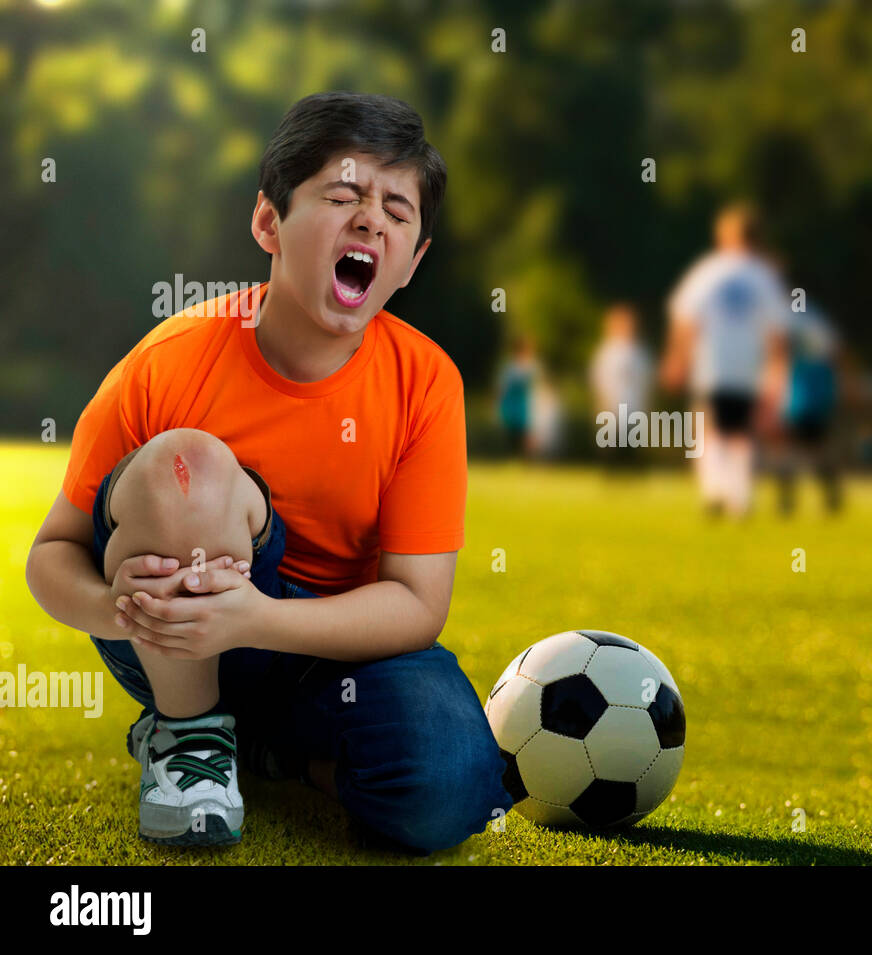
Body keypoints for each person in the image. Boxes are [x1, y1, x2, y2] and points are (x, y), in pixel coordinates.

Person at [24, 92, 512, 853]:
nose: (370, 221)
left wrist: (254, 616)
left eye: (396, 210)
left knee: (443, 791)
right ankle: (188, 735)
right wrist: (120, 609)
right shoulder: (171, 358)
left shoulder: (425, 381)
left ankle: (264, 752)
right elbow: (49, 552)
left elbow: (417, 603)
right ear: (267, 223)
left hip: (337, 651)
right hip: (179, 643)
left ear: (412, 262)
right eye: (342, 194)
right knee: (189, 465)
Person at [659, 202, 789, 517]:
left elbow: (685, 318)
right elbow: (777, 331)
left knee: (708, 428)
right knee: (742, 433)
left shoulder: (708, 271)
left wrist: (676, 358)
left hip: (712, 365)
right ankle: (739, 497)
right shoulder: (765, 276)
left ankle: (715, 490)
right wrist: (777, 371)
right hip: (748, 367)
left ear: (723, 237)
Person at [775, 300, 844, 515]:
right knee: (813, 447)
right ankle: (829, 498)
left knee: (789, 448)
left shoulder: (788, 319)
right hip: (814, 393)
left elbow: (779, 353)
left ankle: (788, 502)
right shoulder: (816, 318)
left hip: (799, 393)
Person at [590, 303, 653, 470]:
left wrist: (645, 407)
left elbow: (645, 381)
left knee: (631, 449)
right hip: (613, 408)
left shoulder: (639, 353)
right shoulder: (608, 352)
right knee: (612, 449)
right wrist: (603, 405)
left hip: (634, 408)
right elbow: (601, 381)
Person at [498, 335, 538, 457]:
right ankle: (517, 456)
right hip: (516, 406)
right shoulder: (511, 368)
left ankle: (526, 458)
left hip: (526, 406)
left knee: (526, 435)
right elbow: (503, 388)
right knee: (516, 435)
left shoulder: (531, 366)